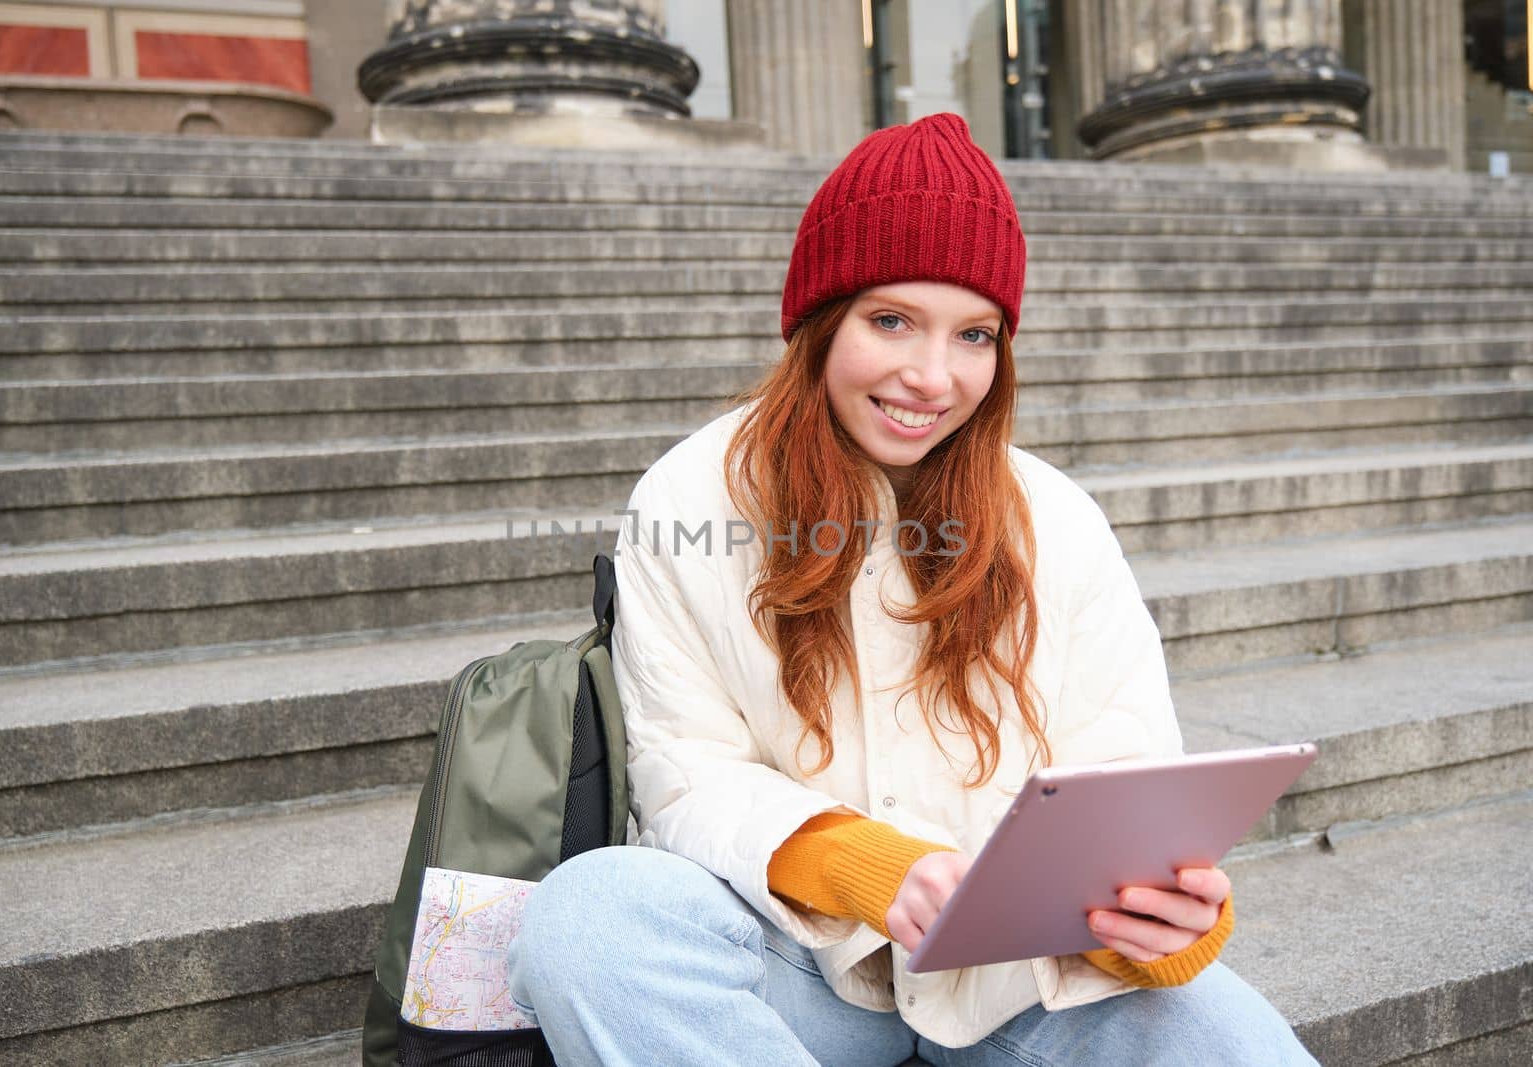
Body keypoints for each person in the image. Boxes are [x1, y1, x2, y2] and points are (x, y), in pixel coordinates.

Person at [506, 112, 1316, 1066]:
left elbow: (1120, 769)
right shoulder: (691, 497)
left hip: (1020, 978)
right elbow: (683, 771)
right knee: (591, 919)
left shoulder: (1054, 517)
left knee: (1224, 1032)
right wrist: (867, 868)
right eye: (891, 320)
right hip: (802, 960)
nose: (933, 377)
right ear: (820, 323)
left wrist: (1149, 919)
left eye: (973, 334)